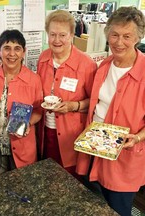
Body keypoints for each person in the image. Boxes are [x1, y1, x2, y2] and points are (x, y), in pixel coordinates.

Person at [76, 6, 145, 215]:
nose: (119, 42)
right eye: (114, 34)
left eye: (127, 36)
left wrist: (139, 138)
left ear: (138, 37)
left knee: (118, 209)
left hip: (124, 157)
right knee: (96, 206)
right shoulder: (104, 66)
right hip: (95, 149)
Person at [37, 10, 97, 178]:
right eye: (52, 34)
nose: (57, 40)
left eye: (62, 35)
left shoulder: (87, 64)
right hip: (45, 132)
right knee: (47, 177)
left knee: (68, 182)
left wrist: (74, 106)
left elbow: (94, 102)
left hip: (71, 137)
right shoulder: (43, 58)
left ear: (72, 35)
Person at [0, 29, 43, 173]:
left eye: (17, 49)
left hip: (22, 147)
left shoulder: (34, 80)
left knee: (22, 189)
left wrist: (28, 123)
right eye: (7, 48)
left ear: (24, 52)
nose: (12, 54)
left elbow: (39, 110)